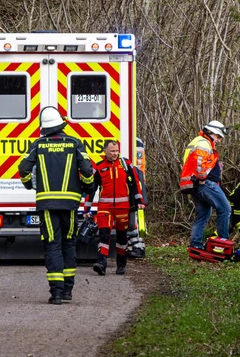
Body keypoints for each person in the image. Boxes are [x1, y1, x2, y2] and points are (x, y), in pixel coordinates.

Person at [18, 107, 95, 305]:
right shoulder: (74, 143)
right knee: (69, 244)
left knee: (52, 245)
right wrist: (88, 187)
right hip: (70, 205)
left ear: (44, 127)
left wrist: (29, 184)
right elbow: (87, 171)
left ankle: (57, 293)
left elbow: (24, 169)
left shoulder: (38, 144)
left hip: (47, 205)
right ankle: (68, 290)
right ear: (61, 124)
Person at [87, 140, 145, 276]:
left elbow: (135, 184)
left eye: (117, 151)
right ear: (105, 151)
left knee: (122, 237)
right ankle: (101, 263)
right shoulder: (99, 167)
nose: (115, 153)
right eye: (112, 151)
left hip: (122, 208)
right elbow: (91, 190)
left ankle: (121, 265)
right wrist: (87, 209)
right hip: (104, 208)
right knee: (104, 234)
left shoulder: (125, 164)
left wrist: (139, 201)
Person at [179, 120, 230, 251]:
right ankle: (222, 244)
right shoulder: (203, 143)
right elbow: (199, 163)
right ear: (211, 132)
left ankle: (195, 244)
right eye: (218, 137)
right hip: (204, 183)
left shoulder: (197, 141)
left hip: (195, 185)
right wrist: (202, 178)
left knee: (202, 215)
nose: (219, 140)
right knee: (225, 208)